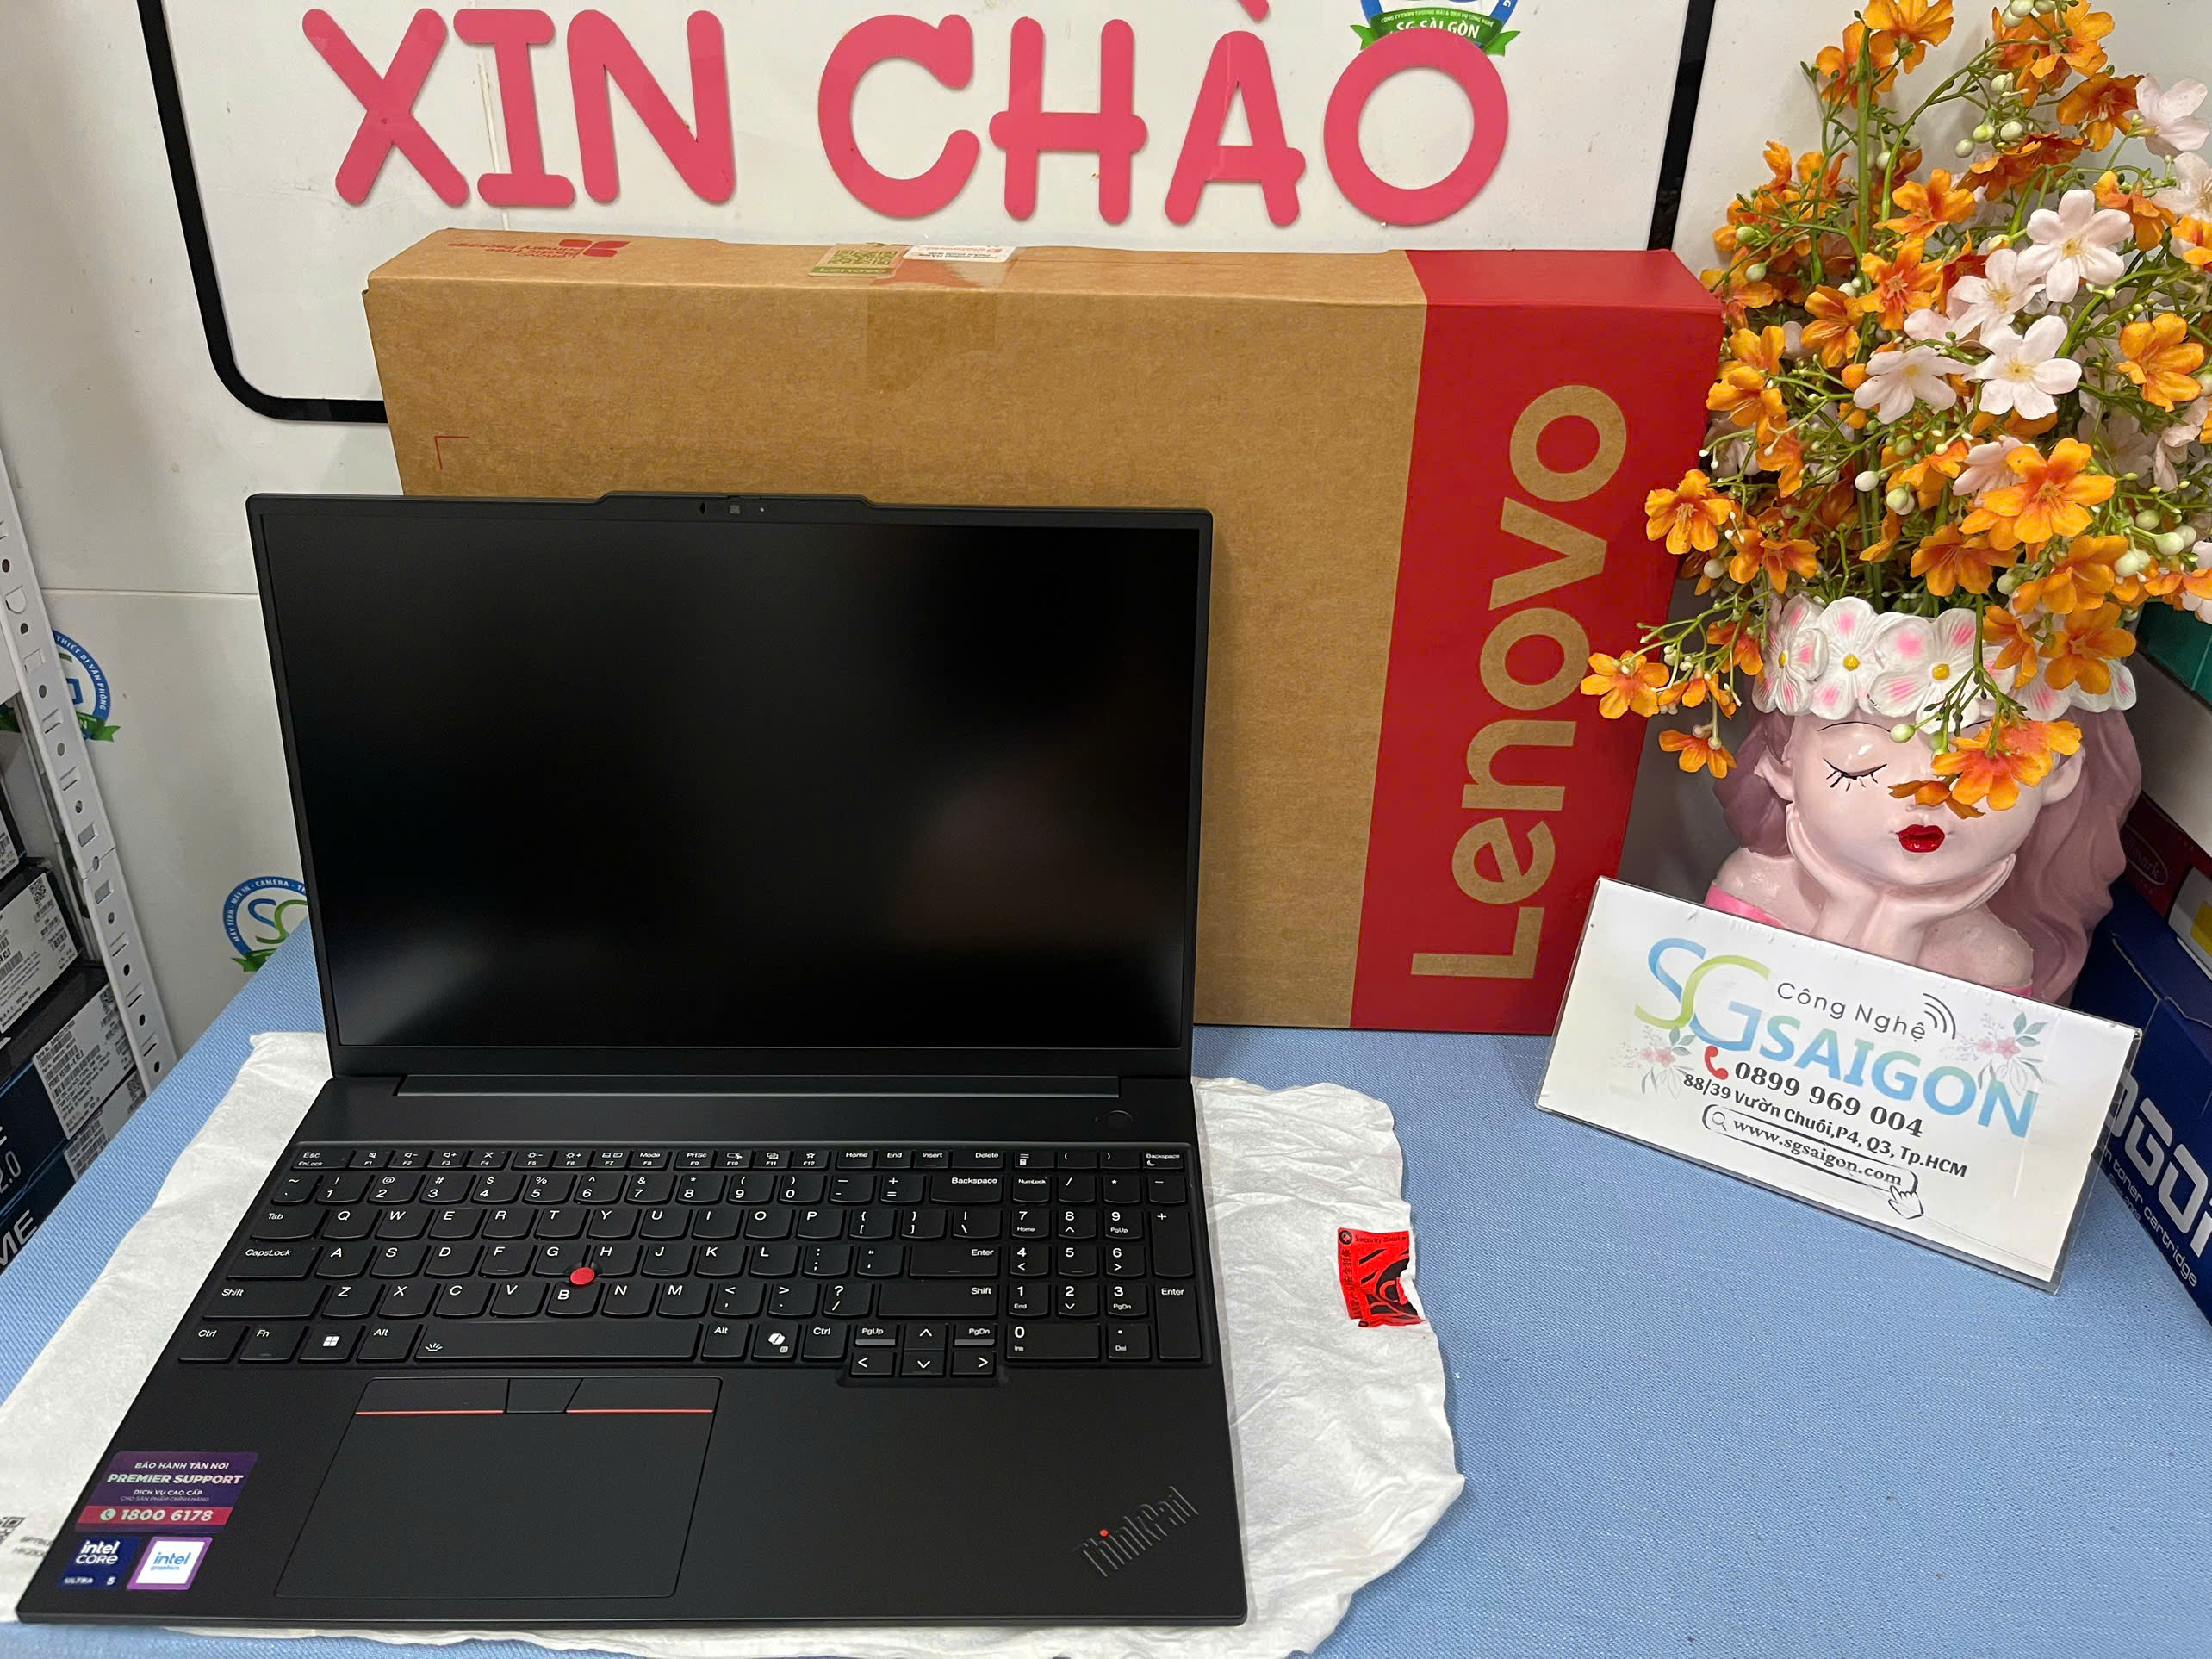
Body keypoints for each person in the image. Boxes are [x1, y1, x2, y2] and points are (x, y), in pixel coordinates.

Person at [1707, 707, 2138, 1002]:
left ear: (2059, 772)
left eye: (1982, 761)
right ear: (1781, 766)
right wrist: (1847, 915)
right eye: (1857, 768)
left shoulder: (1993, 962)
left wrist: (1898, 926)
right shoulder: (1755, 891)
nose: (1924, 797)